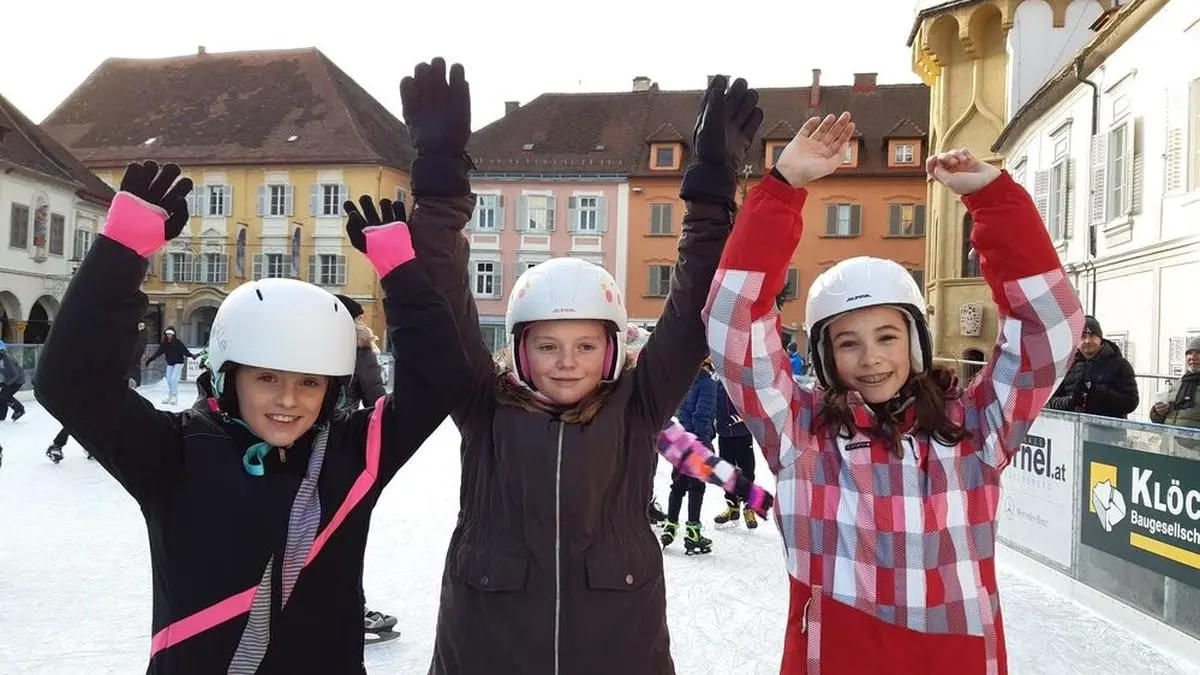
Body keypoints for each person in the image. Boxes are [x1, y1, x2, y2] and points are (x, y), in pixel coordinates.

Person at [404, 59, 769, 674]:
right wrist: (440, 187)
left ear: (613, 348)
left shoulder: (638, 403)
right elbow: (443, 305)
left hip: (617, 647)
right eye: (547, 346)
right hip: (489, 650)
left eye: (585, 345)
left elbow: (687, 316)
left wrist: (711, 188)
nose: (567, 363)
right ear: (520, 350)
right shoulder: (483, 404)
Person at [33, 159, 468, 673]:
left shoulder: (355, 454)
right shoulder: (174, 454)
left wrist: (401, 271)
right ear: (227, 377)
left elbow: (441, 377)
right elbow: (69, 382)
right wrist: (123, 250)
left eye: (309, 383)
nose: (288, 400)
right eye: (266, 379)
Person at [703, 118, 1083, 675]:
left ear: (916, 342)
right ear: (827, 357)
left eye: (887, 337)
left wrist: (995, 202)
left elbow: (1049, 327)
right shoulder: (802, 435)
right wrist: (781, 189)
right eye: (848, 343)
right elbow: (732, 323)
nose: (872, 358)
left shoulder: (976, 430)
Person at [333, 291, 397, 640]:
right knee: (340, 537)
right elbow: (377, 400)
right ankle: (350, 611)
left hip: (295, 443)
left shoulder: (310, 344)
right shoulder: (360, 349)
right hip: (341, 449)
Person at [661, 359, 716, 553]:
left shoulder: (685, 382)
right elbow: (702, 415)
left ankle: (670, 525)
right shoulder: (707, 384)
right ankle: (693, 532)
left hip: (681, 440)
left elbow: (681, 412)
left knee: (677, 485)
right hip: (696, 442)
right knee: (696, 487)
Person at [1046, 315, 1139, 419]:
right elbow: (1050, 401)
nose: (1087, 341)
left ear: (1100, 338)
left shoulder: (1120, 365)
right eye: (1083, 336)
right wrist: (1071, 401)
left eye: (1092, 335)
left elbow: (1131, 402)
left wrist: (1099, 393)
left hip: (1109, 432)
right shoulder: (1067, 366)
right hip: (1073, 432)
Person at [712, 373, 757, 529]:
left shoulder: (742, 380)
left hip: (743, 434)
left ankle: (749, 507)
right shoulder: (715, 381)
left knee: (747, 472)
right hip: (724, 435)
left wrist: (744, 417)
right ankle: (732, 508)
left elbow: (753, 403)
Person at [144, 325, 199, 405]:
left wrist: (192, 356)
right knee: (169, 380)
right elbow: (158, 352)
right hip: (170, 363)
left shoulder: (177, 342)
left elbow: (184, 351)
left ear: (173, 334)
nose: (169, 335)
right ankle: (170, 396)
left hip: (179, 363)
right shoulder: (165, 343)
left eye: (170, 334)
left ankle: (174, 397)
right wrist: (150, 360)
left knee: (173, 379)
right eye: (167, 334)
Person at [0, 340, 26, 421]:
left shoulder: (6, 359)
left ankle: (19, 409)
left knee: (3, 396)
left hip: (16, 380)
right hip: (10, 379)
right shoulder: (2, 359)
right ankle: (1, 416)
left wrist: (6, 383)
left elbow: (14, 374)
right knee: (2, 397)